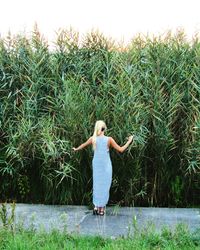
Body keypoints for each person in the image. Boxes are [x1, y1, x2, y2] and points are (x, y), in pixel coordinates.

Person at [72, 120, 133, 216]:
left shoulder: (93, 139)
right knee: (105, 186)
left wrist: (76, 149)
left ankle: (96, 207)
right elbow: (121, 149)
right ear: (104, 128)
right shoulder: (109, 139)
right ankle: (101, 209)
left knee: (97, 185)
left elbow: (83, 145)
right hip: (105, 166)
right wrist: (129, 141)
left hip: (96, 164)